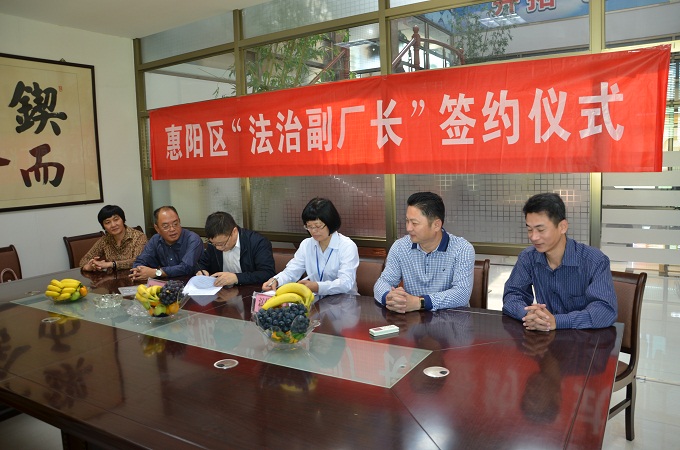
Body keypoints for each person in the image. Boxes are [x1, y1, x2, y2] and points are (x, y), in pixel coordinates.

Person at [502, 193, 617, 330]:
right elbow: (512, 294)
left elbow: (605, 311)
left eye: (540, 229)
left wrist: (558, 321)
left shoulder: (594, 260)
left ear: (562, 227)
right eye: (529, 229)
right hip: (545, 336)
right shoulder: (528, 257)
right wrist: (529, 314)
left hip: (584, 337)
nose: (533, 237)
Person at [374, 191, 475, 312]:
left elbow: (462, 294)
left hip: (452, 320)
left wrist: (420, 302)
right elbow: (384, 281)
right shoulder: (400, 247)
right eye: (407, 221)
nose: (408, 228)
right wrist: (389, 298)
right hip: (412, 319)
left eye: (414, 223)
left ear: (436, 225)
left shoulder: (462, 249)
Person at [262, 198, 359, 296]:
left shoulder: (347, 246)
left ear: (330, 223)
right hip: (316, 300)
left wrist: (317, 286)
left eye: (318, 226)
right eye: (309, 226)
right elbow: (292, 271)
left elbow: (346, 283)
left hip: (345, 300)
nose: (313, 231)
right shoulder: (306, 244)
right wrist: (276, 280)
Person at [196, 211, 275, 287]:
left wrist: (237, 278)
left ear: (234, 231)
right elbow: (201, 263)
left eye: (221, 244)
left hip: (248, 290)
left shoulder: (258, 242)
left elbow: (267, 273)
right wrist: (201, 271)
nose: (218, 248)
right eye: (214, 244)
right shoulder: (214, 244)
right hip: (221, 291)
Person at [130, 205, 203, 281]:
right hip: (165, 285)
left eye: (175, 224)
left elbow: (186, 267)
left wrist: (157, 272)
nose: (172, 229)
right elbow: (141, 260)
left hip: (191, 284)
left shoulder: (193, 239)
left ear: (179, 221)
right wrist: (137, 271)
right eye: (166, 226)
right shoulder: (155, 240)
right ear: (157, 228)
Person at [80, 205, 147, 272]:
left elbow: (138, 261)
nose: (113, 225)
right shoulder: (105, 240)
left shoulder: (139, 237)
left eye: (116, 219)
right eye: (107, 222)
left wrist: (111, 264)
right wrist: (88, 266)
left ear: (123, 220)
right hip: (112, 277)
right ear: (103, 226)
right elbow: (85, 259)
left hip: (135, 276)